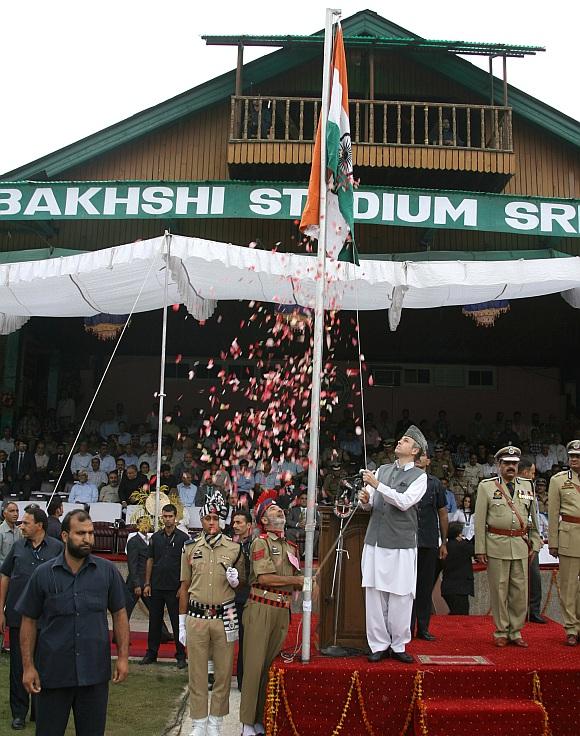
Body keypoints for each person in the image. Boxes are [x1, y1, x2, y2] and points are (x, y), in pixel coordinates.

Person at [17, 510, 129, 736]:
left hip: (94, 674)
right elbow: (28, 620)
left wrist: (123, 658)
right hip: (54, 673)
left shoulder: (106, 572)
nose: (87, 538)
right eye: (80, 533)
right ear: (65, 537)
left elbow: (119, 614)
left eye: (90, 533)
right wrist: (28, 667)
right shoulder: (43, 574)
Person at [358, 426, 427, 664]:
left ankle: (398, 644)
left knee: (401, 595)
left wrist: (377, 486)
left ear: (415, 450)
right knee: (374, 594)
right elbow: (369, 504)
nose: (399, 442)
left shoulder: (420, 477)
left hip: (401, 544)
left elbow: (404, 501)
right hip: (375, 540)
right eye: (400, 438)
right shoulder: (382, 470)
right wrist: (365, 499)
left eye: (405, 440)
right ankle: (378, 644)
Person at [179, 493, 245, 736]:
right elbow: (184, 587)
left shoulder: (235, 548)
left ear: (222, 520)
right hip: (196, 615)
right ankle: (198, 723)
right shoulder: (189, 547)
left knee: (224, 673)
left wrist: (237, 581)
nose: (211, 522)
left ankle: (216, 723)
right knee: (196, 673)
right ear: (201, 520)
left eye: (215, 517)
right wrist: (181, 622)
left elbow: (243, 581)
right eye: (207, 517)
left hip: (225, 614)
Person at [239, 500, 303, 736]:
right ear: (264, 520)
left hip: (281, 611)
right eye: (273, 510)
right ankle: (246, 723)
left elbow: (295, 579)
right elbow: (264, 578)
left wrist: (307, 584)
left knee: (268, 669)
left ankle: (258, 719)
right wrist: (298, 581)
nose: (280, 511)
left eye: (280, 509)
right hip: (261, 607)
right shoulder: (261, 542)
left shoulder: (292, 546)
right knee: (254, 667)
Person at [0, 506, 63, 731]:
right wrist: (1, 609)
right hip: (18, 617)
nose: (21, 526)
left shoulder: (57, 548)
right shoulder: (17, 547)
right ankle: (19, 713)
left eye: (26, 523)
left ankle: (40, 710)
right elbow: (5, 576)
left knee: (45, 666)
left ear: (39, 525)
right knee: (19, 666)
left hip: (48, 619)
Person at [474, 446, 542, 647]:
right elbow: (479, 521)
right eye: (507, 463)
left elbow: (533, 517)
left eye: (514, 463)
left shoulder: (527, 485)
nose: (511, 467)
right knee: (499, 590)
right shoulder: (487, 486)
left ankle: (516, 631)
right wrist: (480, 548)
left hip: (521, 544)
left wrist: (536, 543)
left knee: (520, 592)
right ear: (499, 465)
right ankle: (501, 630)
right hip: (497, 544)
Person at [141, 504, 189, 667]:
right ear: (162, 517)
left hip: (175, 588)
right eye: (165, 516)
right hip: (156, 585)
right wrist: (147, 583)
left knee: (178, 623)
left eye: (170, 516)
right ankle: (151, 653)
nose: (167, 519)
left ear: (176, 517)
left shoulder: (184, 538)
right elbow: (150, 559)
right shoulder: (155, 537)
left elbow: (187, 564)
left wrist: (183, 587)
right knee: (154, 621)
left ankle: (181, 655)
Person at [411, 454, 448, 641]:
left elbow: (442, 513)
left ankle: (423, 628)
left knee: (425, 587)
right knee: (407, 588)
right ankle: (406, 628)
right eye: (416, 456)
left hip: (429, 541)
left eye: (422, 456)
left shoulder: (435, 484)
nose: (418, 459)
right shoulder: (405, 480)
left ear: (429, 461)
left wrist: (444, 542)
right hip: (407, 542)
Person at [548, 439, 580, 646]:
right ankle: (571, 628)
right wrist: (554, 542)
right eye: (572, 456)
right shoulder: (558, 480)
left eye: (578, 456)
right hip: (569, 535)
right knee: (569, 586)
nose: (574, 460)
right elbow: (553, 514)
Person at [518, 459, 546, 624]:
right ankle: (517, 612)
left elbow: (534, 517)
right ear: (524, 472)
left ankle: (534, 611)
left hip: (531, 537)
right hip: (515, 536)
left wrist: (536, 539)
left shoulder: (531, 490)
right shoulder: (511, 488)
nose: (534, 476)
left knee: (534, 577)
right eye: (532, 472)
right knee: (515, 579)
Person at [231, 509, 253, 690]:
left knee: (246, 641)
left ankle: (243, 679)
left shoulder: (254, 545)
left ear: (249, 526)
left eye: (239, 523)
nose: (235, 526)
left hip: (246, 599)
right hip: (229, 599)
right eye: (234, 522)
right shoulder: (229, 545)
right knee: (225, 638)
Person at [441, 521, 475, 614]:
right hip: (460, 588)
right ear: (459, 534)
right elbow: (475, 549)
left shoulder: (445, 547)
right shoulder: (463, 546)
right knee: (461, 615)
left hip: (447, 587)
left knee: (454, 612)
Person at [286, 490, 320, 557]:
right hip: (297, 530)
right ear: (299, 500)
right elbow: (288, 521)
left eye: (306, 499)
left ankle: (308, 553)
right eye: (302, 498)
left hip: (309, 530)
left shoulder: (313, 511)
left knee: (317, 533)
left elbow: (319, 522)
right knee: (288, 532)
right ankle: (293, 552)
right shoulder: (294, 510)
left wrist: (311, 525)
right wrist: (297, 524)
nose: (304, 500)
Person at [0, 500, 21, 565]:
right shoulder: (1, 531)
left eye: (17, 511)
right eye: (12, 511)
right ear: (4, 514)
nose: (15, 514)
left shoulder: (19, 531)